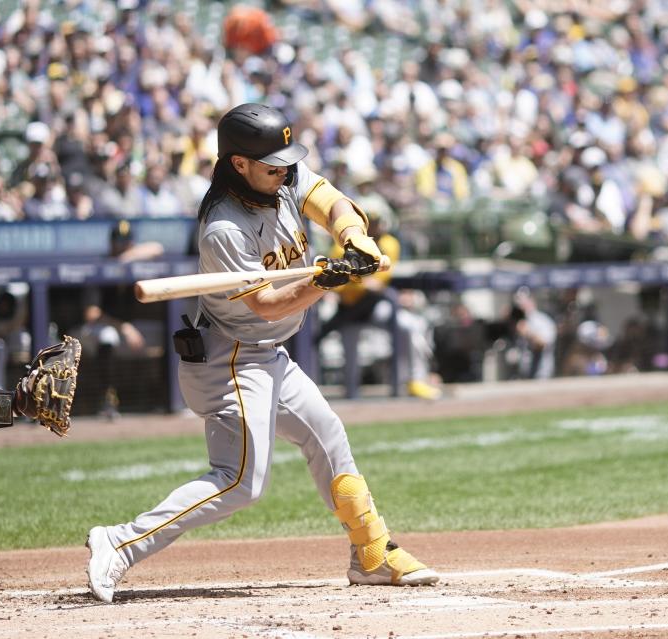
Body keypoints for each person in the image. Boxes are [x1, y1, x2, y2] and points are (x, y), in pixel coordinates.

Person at [85, 103, 438, 604]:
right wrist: (326, 278)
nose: (284, 170)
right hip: (229, 360)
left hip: (268, 355)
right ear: (239, 164)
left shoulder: (283, 177)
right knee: (241, 482)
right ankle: (120, 541)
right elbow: (269, 305)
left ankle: (372, 553)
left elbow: (332, 201)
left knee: (327, 436)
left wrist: (353, 236)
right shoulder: (223, 229)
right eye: (272, 164)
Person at [315, 176, 441, 400]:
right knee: (349, 354)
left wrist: (356, 280)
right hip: (347, 308)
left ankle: (415, 381)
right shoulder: (343, 242)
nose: (374, 225)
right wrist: (353, 282)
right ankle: (353, 401)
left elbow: (378, 281)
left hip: (373, 305)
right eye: (370, 220)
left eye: (377, 220)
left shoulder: (390, 243)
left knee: (409, 326)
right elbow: (336, 279)